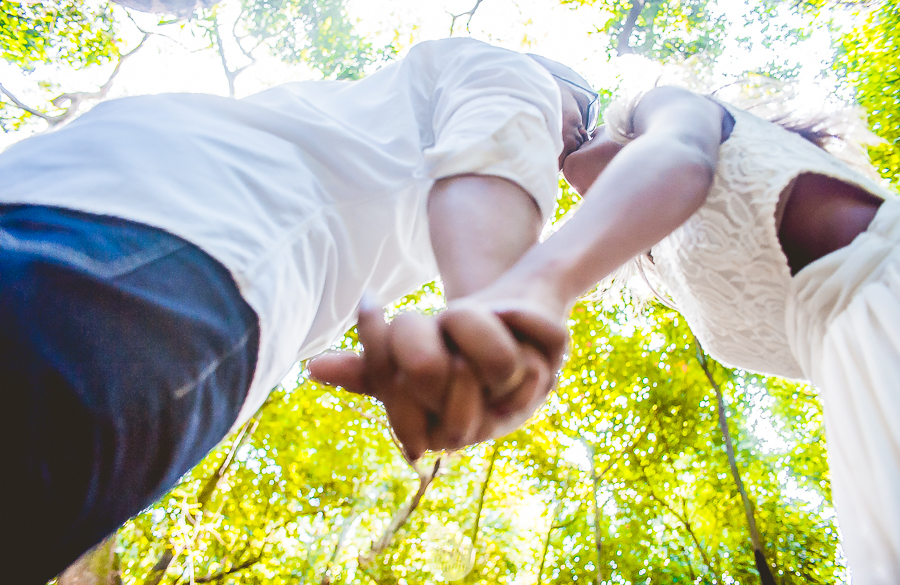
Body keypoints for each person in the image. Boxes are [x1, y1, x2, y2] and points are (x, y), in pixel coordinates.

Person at [0, 37, 597, 583]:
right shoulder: (515, 78)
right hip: (190, 252)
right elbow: (503, 138)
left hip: (53, 191)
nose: (571, 147)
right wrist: (492, 311)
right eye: (579, 122)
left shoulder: (364, 113)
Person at [314, 85, 899, 583]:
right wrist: (481, 362)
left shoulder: (663, 108)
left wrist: (540, 288)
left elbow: (679, 153)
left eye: (585, 122)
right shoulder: (662, 259)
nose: (572, 136)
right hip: (863, 406)